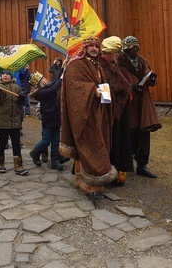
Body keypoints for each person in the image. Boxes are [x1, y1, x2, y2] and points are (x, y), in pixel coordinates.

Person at [60, 36, 117, 199]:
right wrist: (93, 90)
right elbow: (74, 86)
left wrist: (105, 93)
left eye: (96, 46)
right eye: (91, 46)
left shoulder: (97, 64)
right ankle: (83, 179)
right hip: (83, 112)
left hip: (97, 111)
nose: (94, 49)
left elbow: (101, 84)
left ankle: (89, 179)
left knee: (95, 144)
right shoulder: (76, 64)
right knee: (85, 144)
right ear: (85, 48)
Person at [118, 36, 162, 178]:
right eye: (132, 47)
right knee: (129, 131)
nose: (135, 49)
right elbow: (116, 82)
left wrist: (151, 79)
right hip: (128, 102)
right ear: (126, 48)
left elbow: (147, 76)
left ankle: (142, 165)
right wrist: (130, 87)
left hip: (143, 102)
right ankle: (126, 163)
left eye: (137, 46)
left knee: (144, 132)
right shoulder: (119, 62)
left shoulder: (142, 61)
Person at [99, 36, 134, 186]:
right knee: (110, 143)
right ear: (108, 52)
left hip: (120, 112)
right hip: (108, 114)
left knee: (120, 141)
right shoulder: (100, 68)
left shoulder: (115, 66)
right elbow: (104, 94)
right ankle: (109, 173)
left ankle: (119, 171)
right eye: (115, 52)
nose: (117, 56)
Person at [28, 71, 68, 171]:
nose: (46, 79)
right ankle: (35, 152)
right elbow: (54, 88)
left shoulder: (46, 87)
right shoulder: (41, 93)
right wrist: (62, 79)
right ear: (40, 83)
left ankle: (55, 161)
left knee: (55, 141)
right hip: (48, 119)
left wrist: (64, 67)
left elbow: (54, 82)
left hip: (55, 117)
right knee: (46, 140)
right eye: (44, 79)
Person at [0, 70, 28, 176]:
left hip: (14, 119)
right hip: (2, 119)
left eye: (7, 74)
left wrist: (22, 98)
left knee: (16, 142)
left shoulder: (16, 87)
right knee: (3, 142)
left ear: (11, 76)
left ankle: (18, 165)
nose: (5, 75)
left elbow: (21, 102)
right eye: (3, 74)